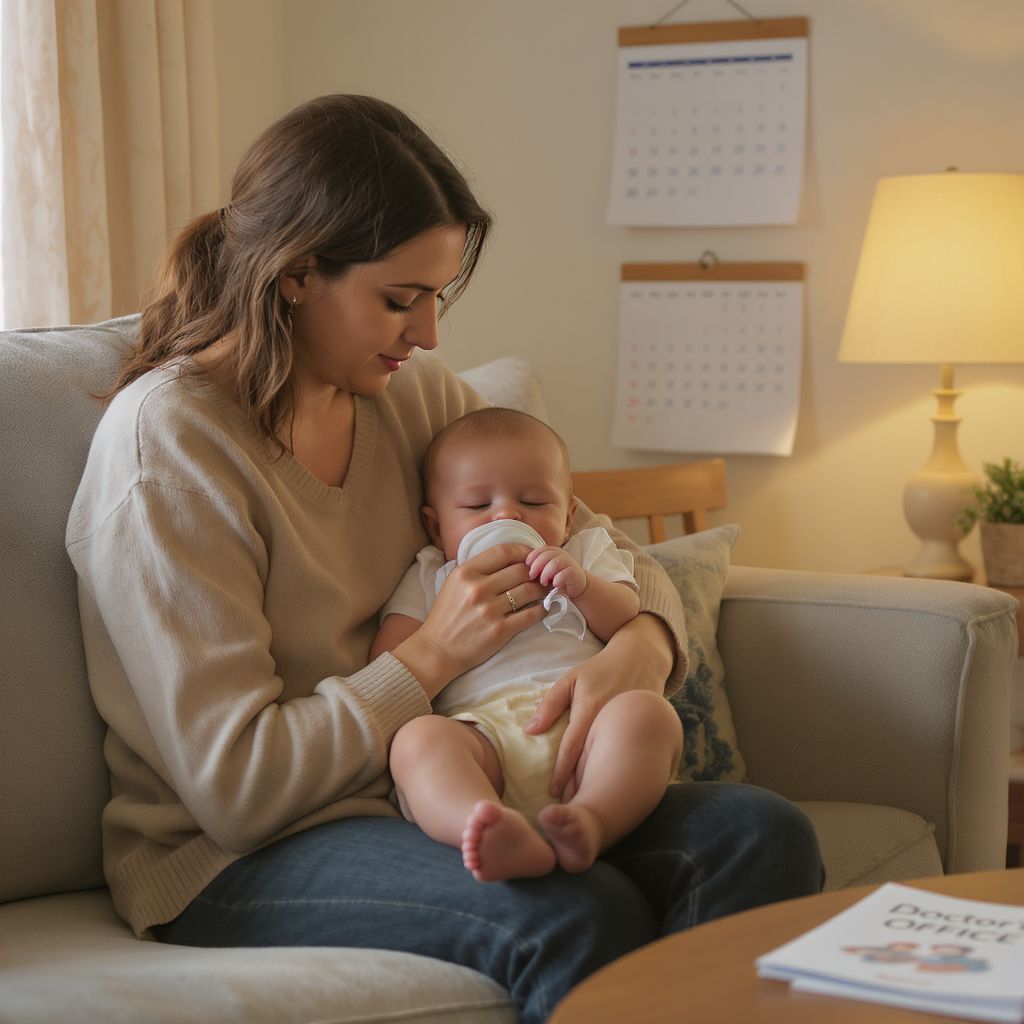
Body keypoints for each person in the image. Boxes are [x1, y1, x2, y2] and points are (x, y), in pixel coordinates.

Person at [66, 94, 823, 1024]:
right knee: (572, 914)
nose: (429, 335)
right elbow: (239, 790)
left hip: (444, 788)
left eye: (437, 296)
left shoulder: (412, 398)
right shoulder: (169, 451)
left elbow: (599, 543)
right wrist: (430, 657)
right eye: (400, 299)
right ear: (297, 274)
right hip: (238, 856)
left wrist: (648, 645)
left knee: (761, 834)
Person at [372, 407, 683, 882]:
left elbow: (628, 615)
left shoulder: (585, 551)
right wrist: (438, 634)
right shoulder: (431, 573)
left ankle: (593, 819)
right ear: (436, 527)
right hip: (482, 735)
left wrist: (581, 585)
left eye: (535, 501)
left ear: (570, 514)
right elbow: (387, 664)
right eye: (477, 507)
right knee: (417, 744)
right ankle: (484, 826)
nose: (507, 514)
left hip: (592, 729)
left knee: (649, 714)